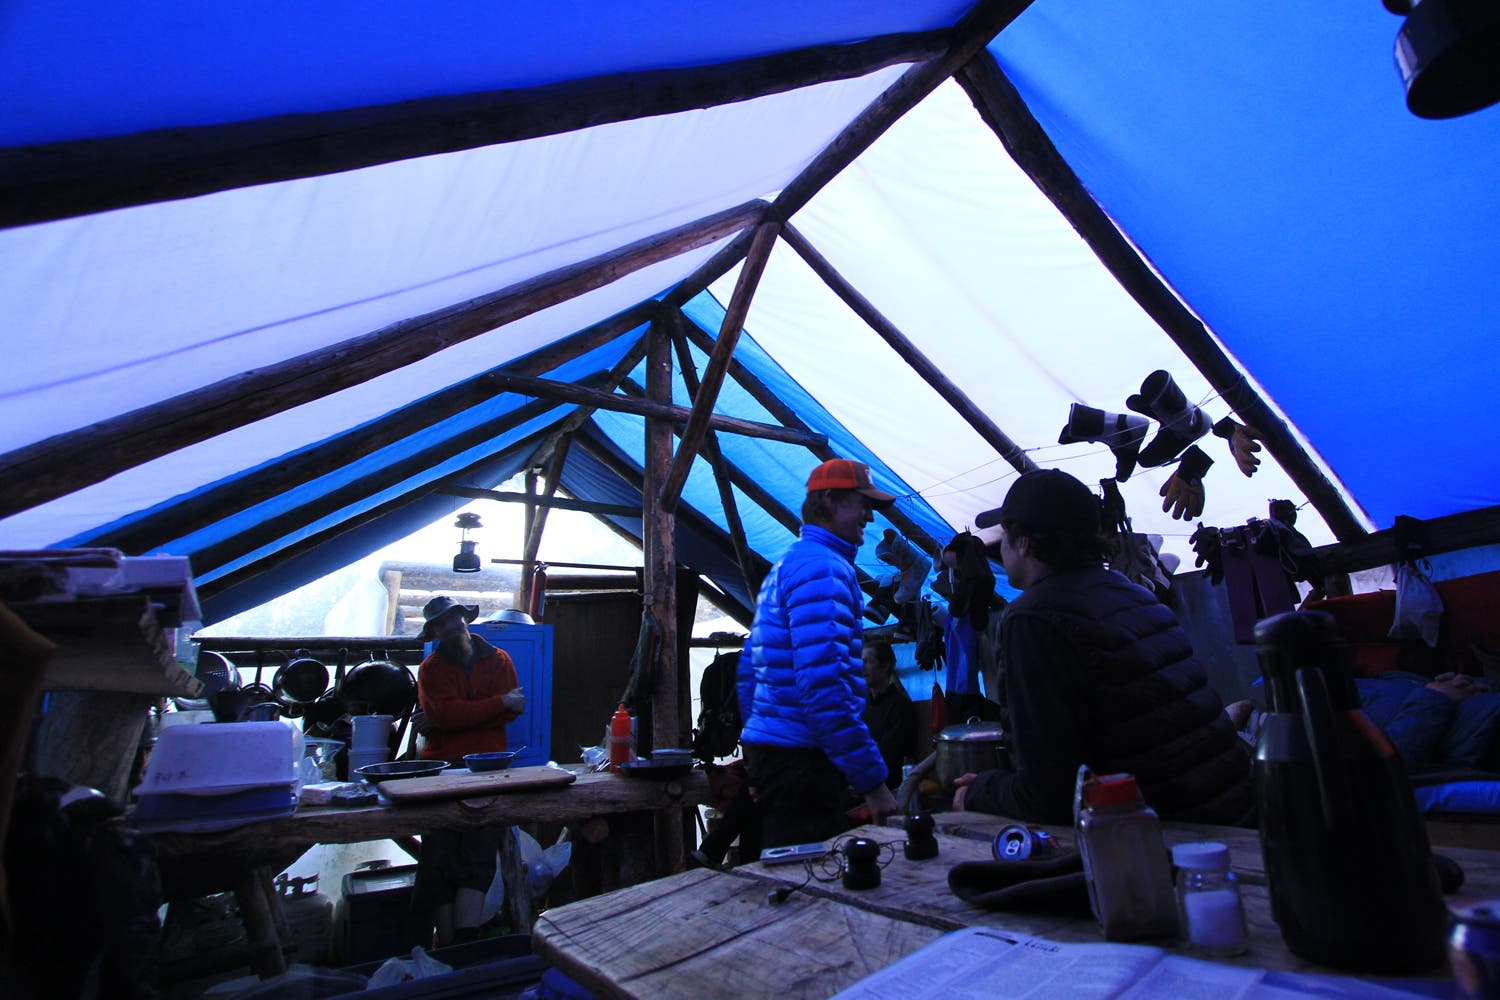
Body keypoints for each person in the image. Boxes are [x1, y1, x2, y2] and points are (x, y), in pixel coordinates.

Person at [953, 469, 1253, 826]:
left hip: (1172, 840)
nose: (999, 548)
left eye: (1005, 535)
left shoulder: (1033, 618)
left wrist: (978, 792)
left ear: (1024, 542)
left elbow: (1052, 796)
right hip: (1236, 817)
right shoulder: (1135, 594)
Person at [738, 458, 901, 847]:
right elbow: (824, 687)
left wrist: (755, 755)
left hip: (776, 756)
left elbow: (748, 669)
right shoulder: (823, 569)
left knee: (781, 876)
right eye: (862, 504)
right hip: (801, 760)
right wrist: (873, 784)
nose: (869, 516)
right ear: (830, 500)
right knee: (809, 883)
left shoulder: (788, 564)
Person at [413, 595, 526, 945]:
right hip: (443, 768)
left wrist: (462, 715)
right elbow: (446, 714)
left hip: (487, 767)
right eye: (440, 624)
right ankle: (444, 945)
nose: (449, 628)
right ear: (433, 631)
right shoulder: (430, 669)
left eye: (453, 619)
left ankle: (466, 941)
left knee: (479, 853)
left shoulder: (498, 660)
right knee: (438, 856)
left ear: (465, 619)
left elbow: (515, 709)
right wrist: (495, 704)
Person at [862, 641, 917, 791]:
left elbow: (888, 755)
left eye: (867, 662)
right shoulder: (862, 707)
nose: (861, 667)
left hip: (888, 788)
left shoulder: (899, 706)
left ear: (885, 666)